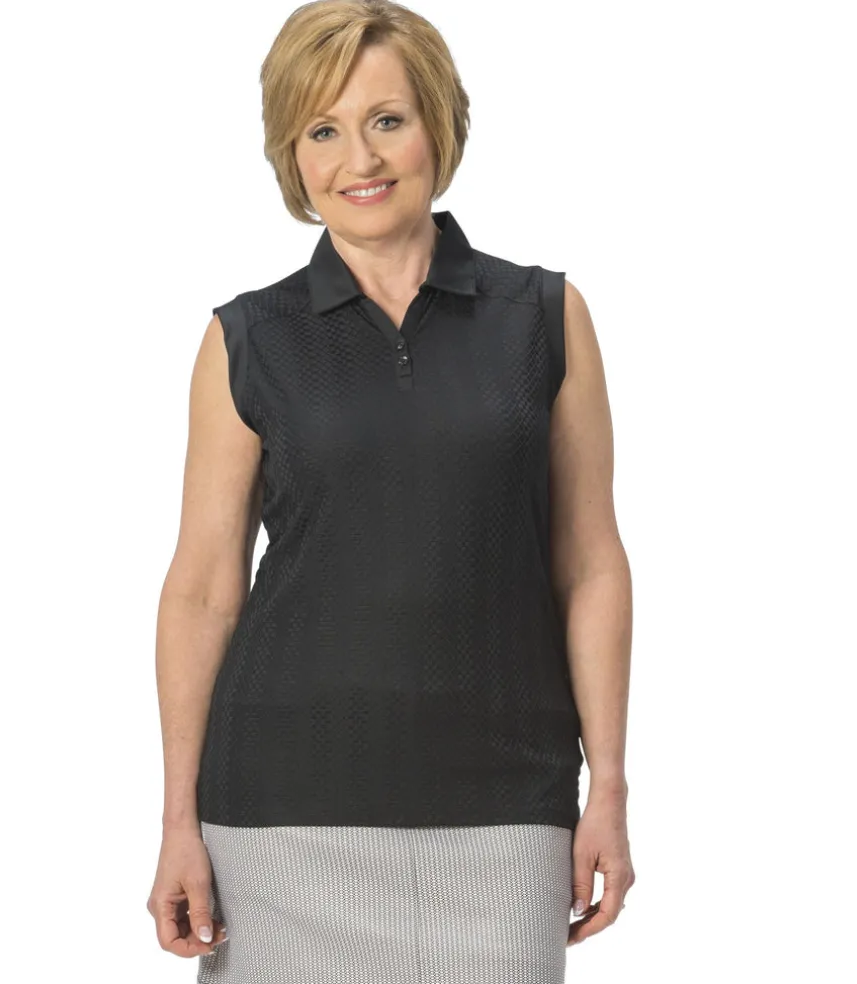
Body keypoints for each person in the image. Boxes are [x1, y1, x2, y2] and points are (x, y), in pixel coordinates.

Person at [147, 1, 635, 980]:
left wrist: (610, 790)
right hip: (279, 814)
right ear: (291, 157)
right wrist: (177, 822)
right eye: (321, 131)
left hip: (506, 806)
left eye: (386, 119)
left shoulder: (543, 317)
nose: (358, 159)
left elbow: (589, 566)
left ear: (437, 127)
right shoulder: (248, 339)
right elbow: (203, 590)